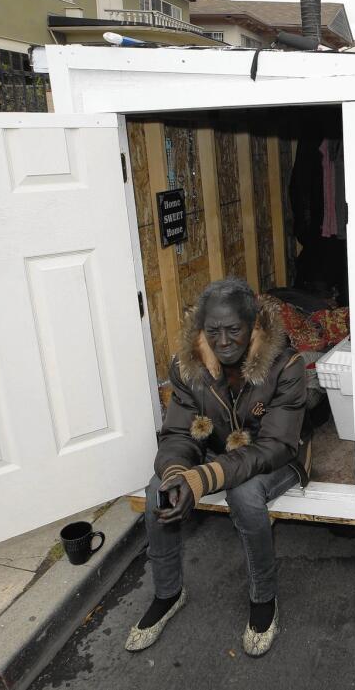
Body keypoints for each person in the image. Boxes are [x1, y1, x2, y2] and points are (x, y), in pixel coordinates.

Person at [125, 277, 309, 657]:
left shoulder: (286, 365)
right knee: (157, 487)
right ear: (201, 330)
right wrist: (179, 475)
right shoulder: (188, 366)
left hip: (275, 457)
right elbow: (178, 433)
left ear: (254, 324)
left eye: (233, 330)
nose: (223, 342)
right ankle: (168, 592)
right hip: (217, 453)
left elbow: (275, 446)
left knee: (245, 494)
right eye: (213, 332)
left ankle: (264, 599)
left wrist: (203, 478)